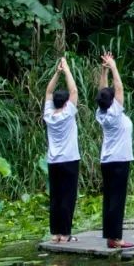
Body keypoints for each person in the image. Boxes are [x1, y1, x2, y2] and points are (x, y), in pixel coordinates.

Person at [96, 52, 134, 249]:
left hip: (107, 160)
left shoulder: (101, 112)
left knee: (110, 198)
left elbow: (103, 91)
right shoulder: (114, 112)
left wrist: (104, 70)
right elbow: (119, 87)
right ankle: (116, 238)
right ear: (113, 101)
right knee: (117, 200)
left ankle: (110, 236)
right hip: (119, 160)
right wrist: (113, 66)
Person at [43, 57, 80, 242]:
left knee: (56, 198)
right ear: (66, 103)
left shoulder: (48, 114)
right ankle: (65, 234)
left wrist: (57, 72)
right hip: (70, 160)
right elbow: (74, 90)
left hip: (53, 161)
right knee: (68, 198)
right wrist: (66, 70)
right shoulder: (68, 113)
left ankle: (55, 233)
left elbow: (48, 91)